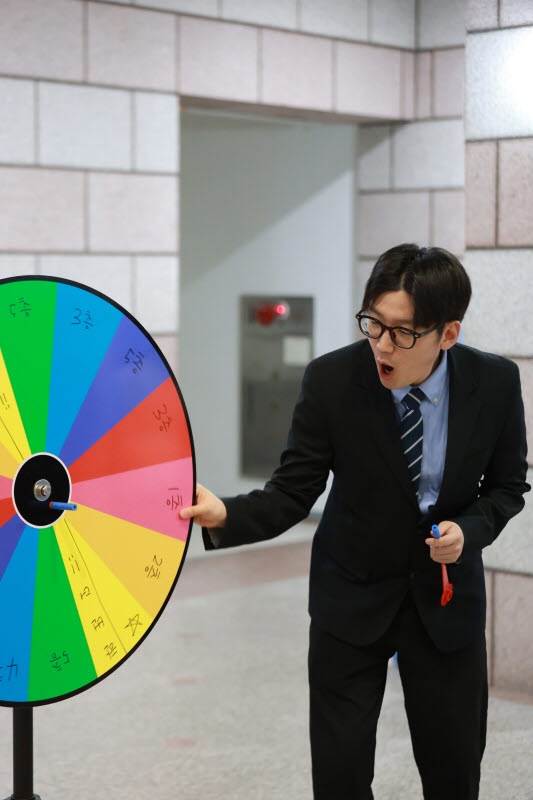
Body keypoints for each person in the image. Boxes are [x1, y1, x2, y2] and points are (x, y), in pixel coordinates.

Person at [180, 243, 530, 800]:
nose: (382, 345)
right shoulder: (333, 380)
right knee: (339, 778)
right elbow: (293, 490)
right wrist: (227, 514)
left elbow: (508, 486)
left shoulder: (494, 383)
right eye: (374, 324)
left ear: (448, 334)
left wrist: (470, 530)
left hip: (445, 603)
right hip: (351, 597)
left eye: (403, 333)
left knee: (454, 772)